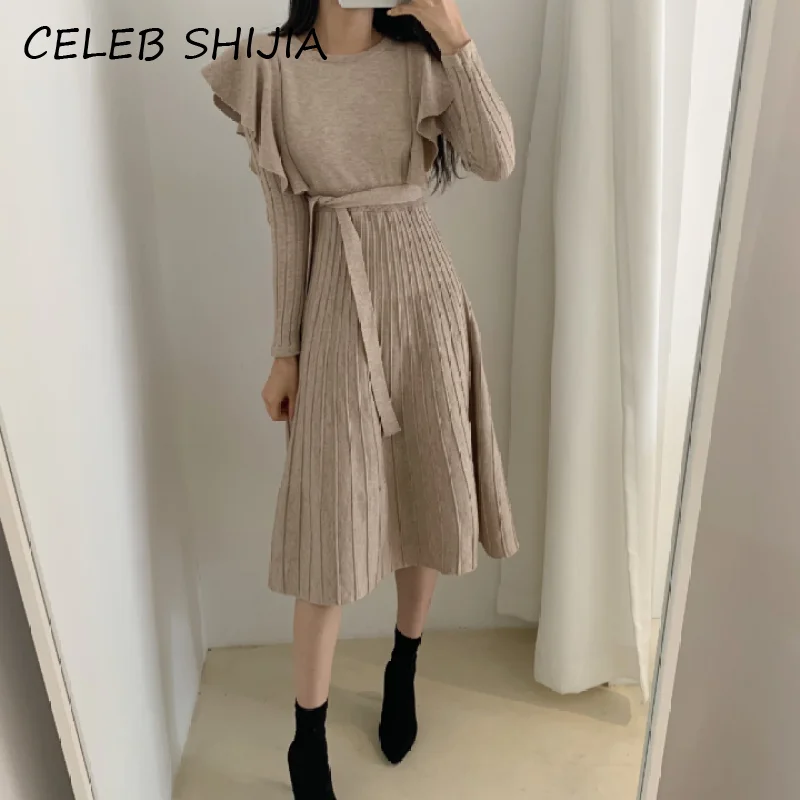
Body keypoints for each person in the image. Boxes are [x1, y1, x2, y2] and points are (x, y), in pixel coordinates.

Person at [201, 1, 519, 796]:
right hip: (335, 308)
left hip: (424, 297)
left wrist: (453, 34)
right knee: (330, 527)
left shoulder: (419, 61)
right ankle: (306, 734)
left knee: (425, 492)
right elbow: (287, 223)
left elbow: (497, 158)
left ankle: (404, 664)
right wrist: (285, 351)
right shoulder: (270, 65)